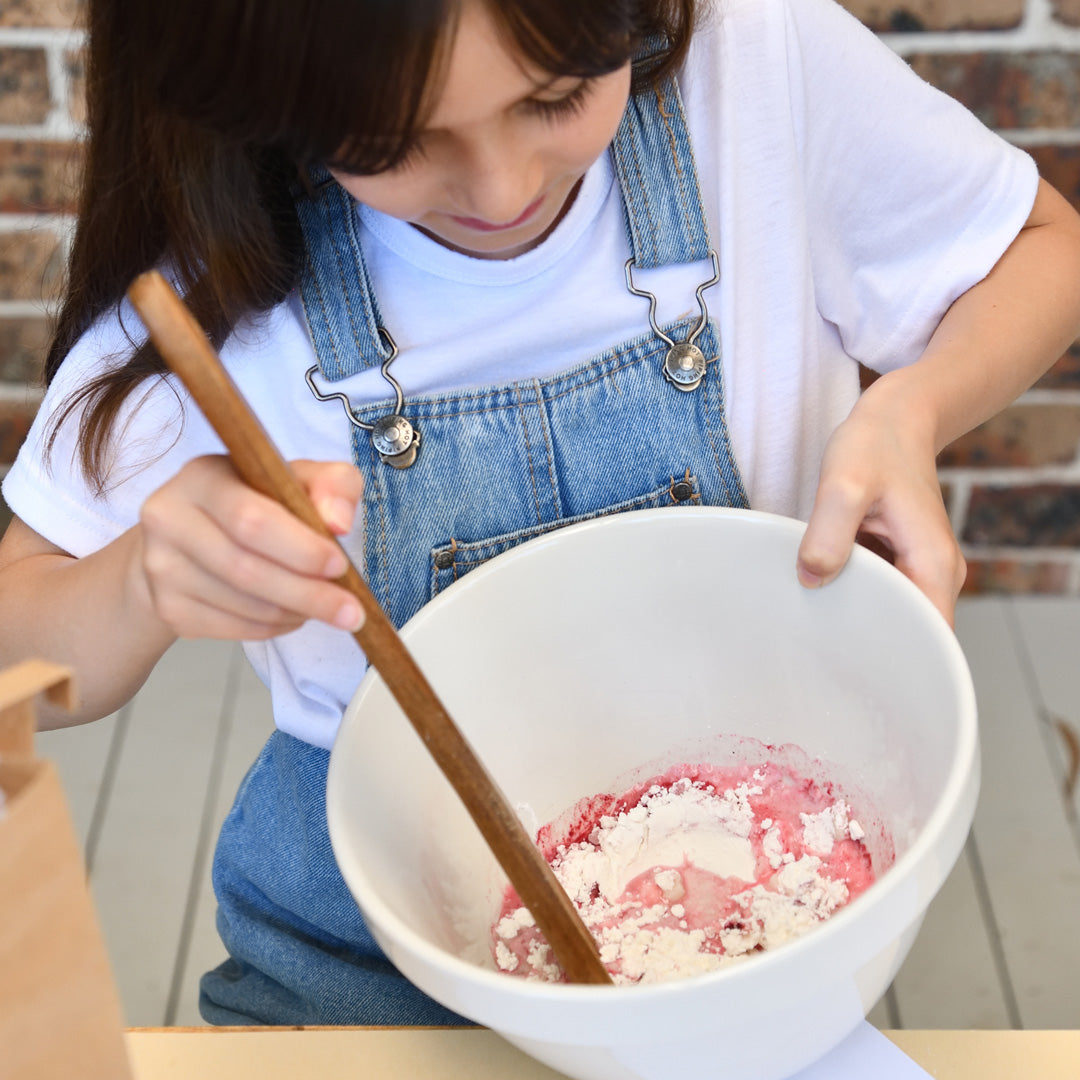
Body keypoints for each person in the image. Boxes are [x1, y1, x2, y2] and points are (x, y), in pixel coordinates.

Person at [2, 0, 1079, 1025]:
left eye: (557, 96)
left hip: (756, 878)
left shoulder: (750, 62)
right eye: (392, 139)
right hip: (360, 960)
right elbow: (20, 647)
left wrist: (913, 407)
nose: (504, 187)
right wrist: (145, 576)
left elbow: (1045, 248)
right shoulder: (223, 254)